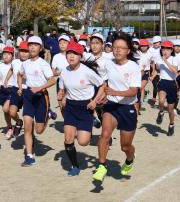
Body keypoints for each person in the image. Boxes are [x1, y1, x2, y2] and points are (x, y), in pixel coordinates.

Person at [93, 36, 141, 182]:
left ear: (128, 51)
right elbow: (104, 84)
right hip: (111, 106)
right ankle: (102, 166)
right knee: (104, 135)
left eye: (121, 48)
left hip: (128, 108)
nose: (117, 50)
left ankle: (130, 159)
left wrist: (116, 92)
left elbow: (133, 91)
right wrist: (97, 99)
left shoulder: (133, 66)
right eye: (115, 47)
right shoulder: (109, 64)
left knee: (125, 146)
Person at [58, 42, 103, 176]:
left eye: (75, 54)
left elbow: (102, 85)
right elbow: (62, 88)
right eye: (69, 54)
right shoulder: (64, 71)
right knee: (68, 139)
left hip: (85, 108)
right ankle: (75, 166)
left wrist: (95, 101)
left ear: (81, 57)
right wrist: (63, 94)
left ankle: (93, 120)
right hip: (71, 107)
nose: (71, 56)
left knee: (83, 142)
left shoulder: (87, 71)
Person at [17, 36, 56, 167]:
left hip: (41, 96)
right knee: (27, 127)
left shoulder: (43, 64)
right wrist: (20, 87)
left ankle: (48, 115)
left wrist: (39, 88)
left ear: (40, 48)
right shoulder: (25, 63)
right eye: (30, 45)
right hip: (28, 96)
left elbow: (52, 80)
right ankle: (29, 156)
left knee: (38, 130)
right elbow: (19, 74)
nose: (32, 47)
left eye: (35, 45)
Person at [3, 41, 30, 138]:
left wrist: (28, 77)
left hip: (28, 90)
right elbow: (11, 70)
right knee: (12, 112)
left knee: (28, 117)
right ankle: (18, 122)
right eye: (21, 51)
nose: (23, 53)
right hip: (15, 89)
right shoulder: (15, 62)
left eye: (26, 51)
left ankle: (30, 136)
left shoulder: (31, 63)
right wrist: (6, 79)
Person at [0, 47, 17, 139]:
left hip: (13, 89)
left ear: (12, 55)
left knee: (7, 109)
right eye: (4, 54)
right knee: (5, 111)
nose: (6, 56)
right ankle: (10, 128)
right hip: (3, 89)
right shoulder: (0, 66)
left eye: (8, 54)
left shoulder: (15, 64)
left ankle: (18, 121)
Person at [155, 41, 179, 136]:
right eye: (163, 49)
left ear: (171, 50)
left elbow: (175, 71)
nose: (165, 51)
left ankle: (171, 125)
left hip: (172, 84)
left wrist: (165, 61)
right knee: (161, 101)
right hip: (163, 82)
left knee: (170, 109)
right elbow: (156, 69)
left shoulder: (174, 59)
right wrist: (152, 76)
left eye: (168, 49)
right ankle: (161, 112)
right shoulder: (159, 60)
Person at [51, 35, 70, 116]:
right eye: (60, 43)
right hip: (60, 81)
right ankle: (66, 120)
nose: (62, 44)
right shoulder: (56, 57)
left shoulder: (71, 55)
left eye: (64, 43)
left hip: (71, 81)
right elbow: (53, 71)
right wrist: (59, 73)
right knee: (60, 101)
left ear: (68, 44)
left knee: (69, 102)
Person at [138, 39, 153, 109]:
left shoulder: (150, 54)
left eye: (145, 46)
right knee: (140, 88)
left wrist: (152, 74)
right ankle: (144, 94)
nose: (143, 47)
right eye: (142, 46)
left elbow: (153, 64)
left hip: (146, 73)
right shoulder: (137, 53)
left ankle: (140, 103)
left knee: (141, 87)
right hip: (137, 73)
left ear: (148, 46)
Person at [149, 35, 162, 106]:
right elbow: (150, 60)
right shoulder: (150, 49)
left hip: (162, 69)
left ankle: (161, 98)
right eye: (154, 43)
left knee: (161, 84)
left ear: (160, 43)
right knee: (155, 84)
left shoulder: (162, 49)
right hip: (153, 68)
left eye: (157, 42)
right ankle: (154, 97)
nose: (155, 44)